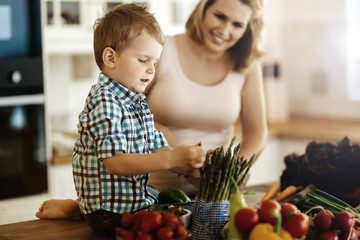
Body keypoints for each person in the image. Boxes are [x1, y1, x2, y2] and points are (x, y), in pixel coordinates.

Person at [36, 0, 267, 220]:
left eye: (237, 24)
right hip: (155, 183)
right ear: (204, 10)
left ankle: (83, 209)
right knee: (149, 209)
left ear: (247, 28)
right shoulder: (154, 52)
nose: (225, 29)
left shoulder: (246, 64)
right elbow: (129, 140)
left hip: (200, 184)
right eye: (220, 16)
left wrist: (229, 169)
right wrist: (177, 157)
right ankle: (86, 209)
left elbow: (257, 132)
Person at [44, 3, 206, 235]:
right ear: (111, 57)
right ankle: (85, 210)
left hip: (131, 203)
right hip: (109, 213)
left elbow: (155, 147)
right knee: (183, 218)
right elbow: (116, 163)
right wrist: (171, 159)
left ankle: (77, 209)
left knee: (181, 208)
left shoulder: (136, 101)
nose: (152, 70)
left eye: (155, 62)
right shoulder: (105, 100)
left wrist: (186, 163)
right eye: (143, 60)